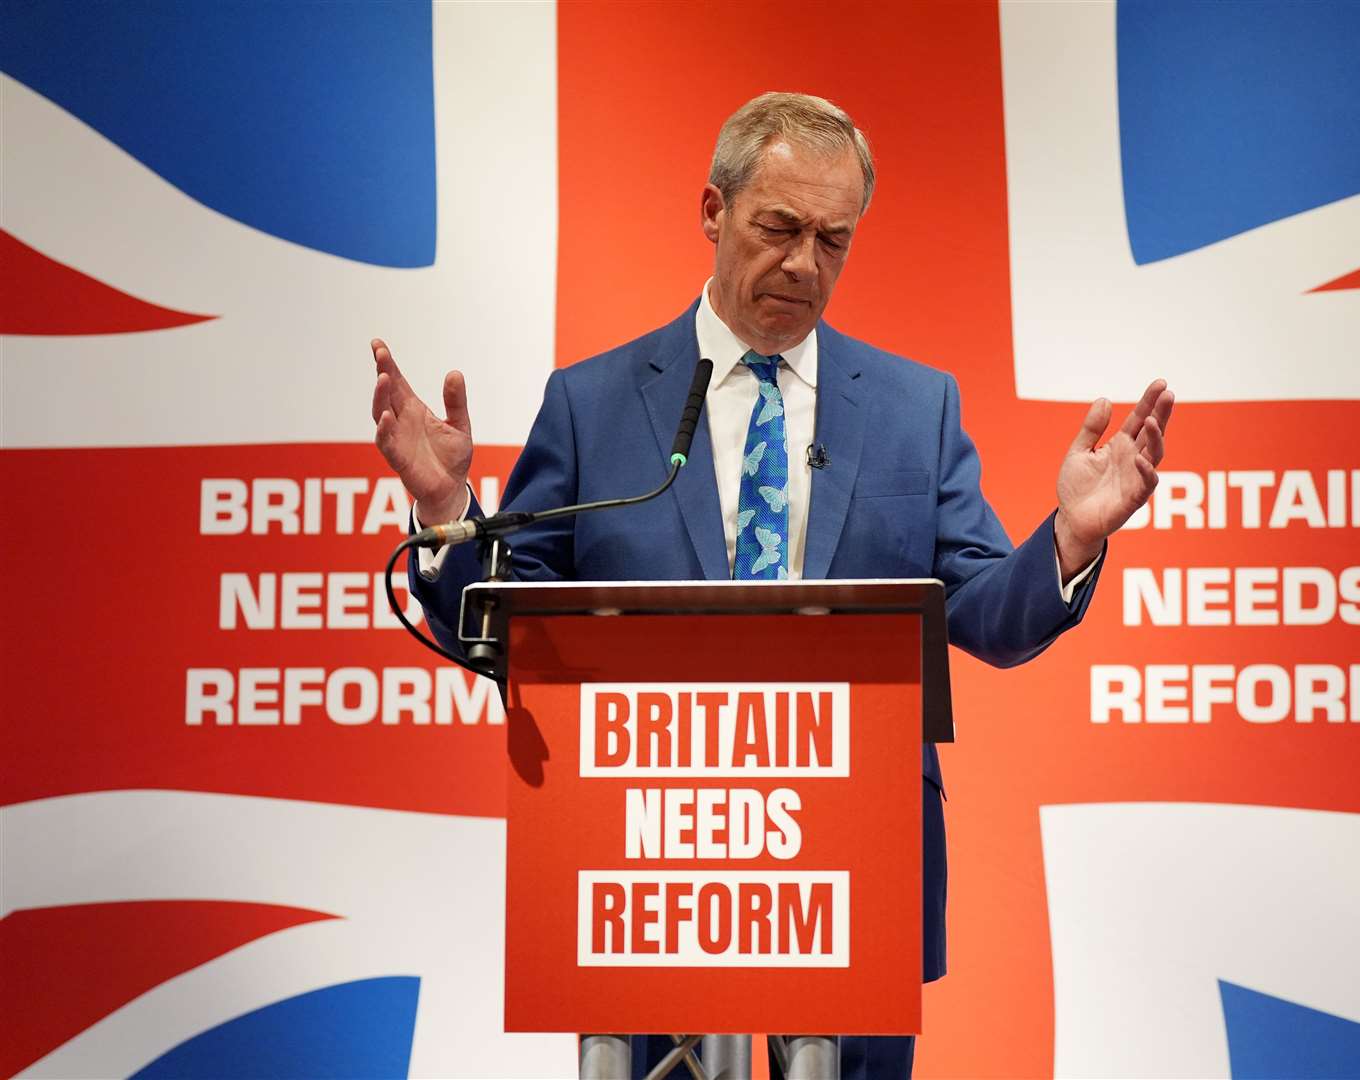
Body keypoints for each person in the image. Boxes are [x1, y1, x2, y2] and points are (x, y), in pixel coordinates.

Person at [370, 91, 1171, 1079]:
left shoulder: (916, 408)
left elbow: (985, 616)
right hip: (646, 847)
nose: (805, 264)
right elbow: (509, 621)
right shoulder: (593, 403)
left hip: (853, 859)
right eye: (779, 228)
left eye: (834, 239)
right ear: (714, 211)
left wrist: (1068, 538)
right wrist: (448, 506)